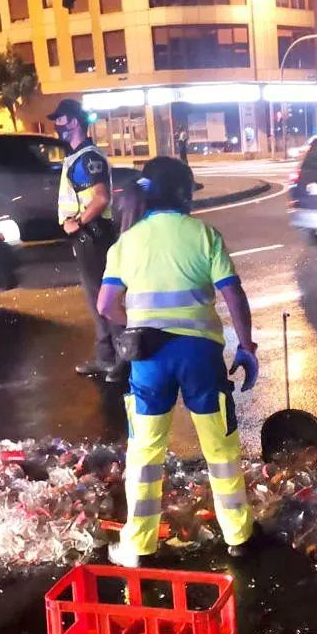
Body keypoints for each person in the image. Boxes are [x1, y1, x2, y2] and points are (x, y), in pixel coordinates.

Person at [97, 157, 259, 566]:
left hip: (149, 356)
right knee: (220, 447)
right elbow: (233, 295)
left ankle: (140, 545)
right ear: (185, 195)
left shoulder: (127, 242)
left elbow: (105, 305)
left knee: (146, 453)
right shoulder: (205, 235)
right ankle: (238, 534)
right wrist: (246, 346)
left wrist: (134, 323)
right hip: (200, 354)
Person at [49, 99, 120, 382]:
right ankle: (107, 358)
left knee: (103, 299)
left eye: (61, 120)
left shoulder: (87, 158)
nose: (57, 126)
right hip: (88, 238)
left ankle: (118, 360)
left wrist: (78, 222)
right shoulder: (78, 157)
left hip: (93, 237)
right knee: (97, 300)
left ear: (74, 122)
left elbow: (102, 197)